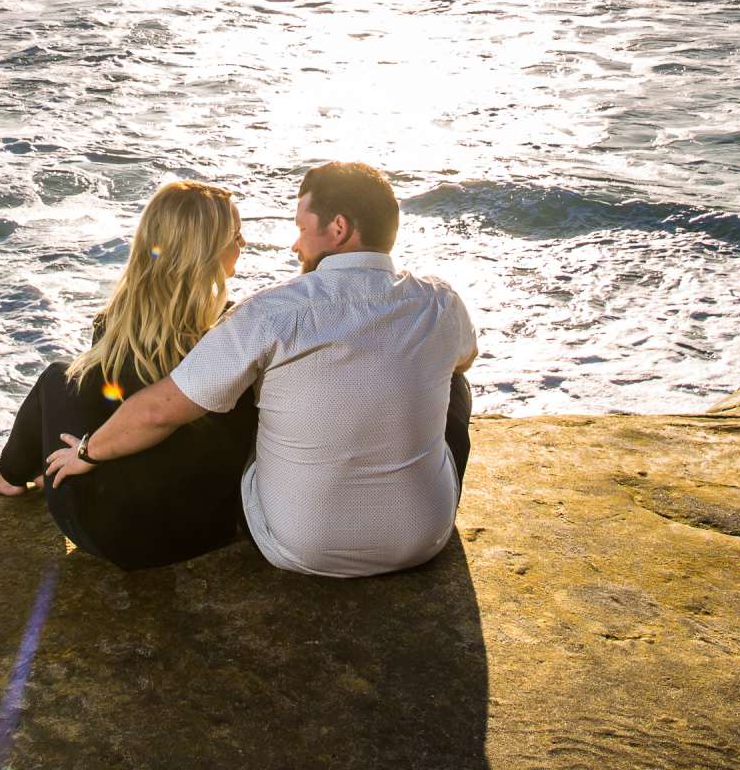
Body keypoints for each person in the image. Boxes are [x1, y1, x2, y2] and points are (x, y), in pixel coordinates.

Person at [45, 161, 476, 578]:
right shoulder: (441, 301)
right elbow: (464, 360)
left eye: (302, 229)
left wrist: (88, 452)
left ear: (338, 229)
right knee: (454, 381)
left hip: (293, 544)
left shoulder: (269, 312)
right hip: (423, 541)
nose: (295, 245)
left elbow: (159, 410)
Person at [0, 179, 258, 570]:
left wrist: (85, 452)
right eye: (236, 236)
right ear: (204, 251)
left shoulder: (119, 326)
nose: (243, 244)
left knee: (60, 376)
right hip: (210, 531)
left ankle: (10, 477)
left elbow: (114, 409)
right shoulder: (241, 335)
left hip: (115, 533)